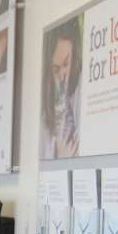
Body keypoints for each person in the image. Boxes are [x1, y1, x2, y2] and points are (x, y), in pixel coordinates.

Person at [41, 18, 81, 157]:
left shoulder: (81, 87)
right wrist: (60, 157)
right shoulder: (45, 101)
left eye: (66, 63)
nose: (62, 74)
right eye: (56, 69)